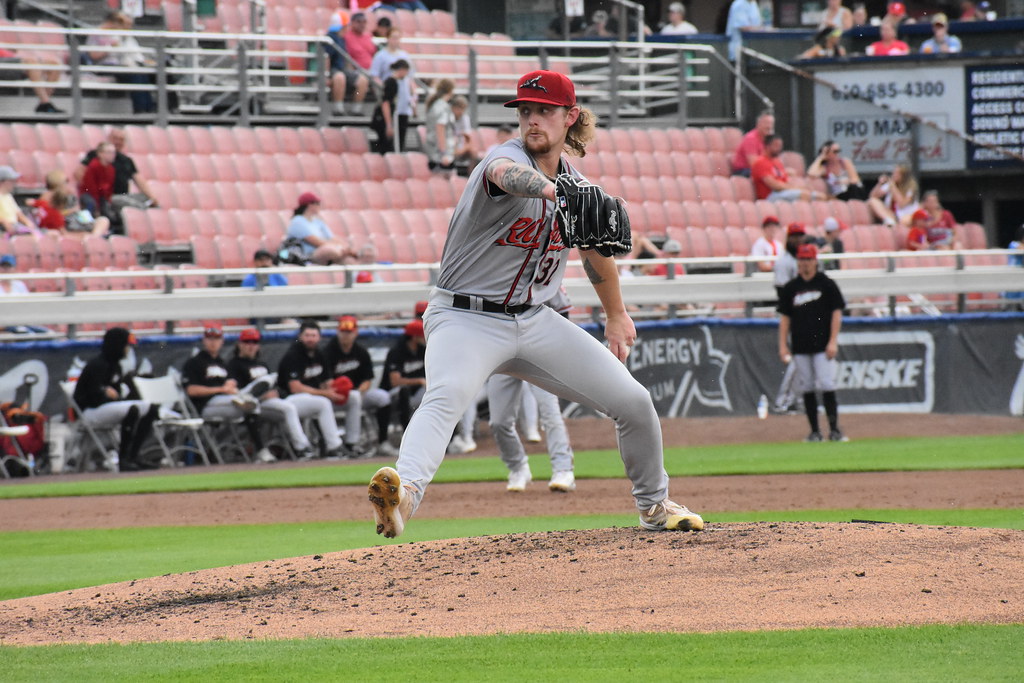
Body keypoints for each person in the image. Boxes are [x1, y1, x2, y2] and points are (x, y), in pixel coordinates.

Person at [367, 69, 704, 539]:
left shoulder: (577, 186)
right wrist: (554, 191)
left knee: (634, 401)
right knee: (445, 397)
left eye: (544, 112)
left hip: (535, 319)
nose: (532, 121)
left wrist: (615, 314)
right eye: (525, 111)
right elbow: (507, 177)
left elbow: (595, 254)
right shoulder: (505, 160)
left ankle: (654, 507)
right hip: (465, 317)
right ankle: (405, 494)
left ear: (570, 117)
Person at [488, 292, 577, 493]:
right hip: (501, 350)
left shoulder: (542, 275)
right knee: (499, 421)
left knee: (549, 412)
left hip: (539, 350)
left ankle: (563, 470)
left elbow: (563, 313)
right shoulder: (492, 276)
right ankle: (518, 468)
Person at [777, 243, 848, 443]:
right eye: (801, 259)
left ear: (815, 261)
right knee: (807, 388)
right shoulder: (791, 288)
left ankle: (834, 430)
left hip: (823, 345)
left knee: (826, 385)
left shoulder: (826, 284)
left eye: (808, 259)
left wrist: (833, 341)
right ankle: (814, 432)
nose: (804, 263)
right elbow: (784, 319)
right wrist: (783, 345)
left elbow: (837, 313)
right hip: (800, 346)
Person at [74, 327, 161, 471]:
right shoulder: (97, 365)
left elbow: (119, 394)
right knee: (133, 409)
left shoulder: (116, 366)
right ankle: (123, 459)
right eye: (126, 346)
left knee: (150, 408)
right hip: (90, 411)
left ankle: (134, 455)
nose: (128, 350)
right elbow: (86, 397)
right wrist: (103, 393)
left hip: (107, 408)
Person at [182, 324, 268, 460]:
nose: (213, 342)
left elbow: (230, 384)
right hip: (205, 406)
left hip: (225, 402)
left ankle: (258, 450)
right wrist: (221, 389)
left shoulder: (222, 363)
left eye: (216, 339)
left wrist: (230, 385)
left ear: (222, 341)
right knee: (250, 405)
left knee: (251, 404)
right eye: (210, 338)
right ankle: (261, 450)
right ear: (204, 340)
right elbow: (192, 390)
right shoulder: (194, 362)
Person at [275, 320, 349, 459]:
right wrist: (325, 393)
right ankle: (333, 446)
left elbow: (328, 382)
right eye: (307, 335)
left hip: (312, 398)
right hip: (289, 400)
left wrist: (337, 390)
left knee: (331, 401)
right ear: (300, 336)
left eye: (314, 335)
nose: (310, 339)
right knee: (323, 403)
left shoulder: (320, 355)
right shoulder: (293, 355)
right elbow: (295, 387)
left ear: (319, 337)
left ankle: (343, 444)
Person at [323, 315, 393, 457]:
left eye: (349, 332)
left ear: (356, 333)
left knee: (382, 397)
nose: (346, 335)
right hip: (333, 396)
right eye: (343, 332)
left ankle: (383, 441)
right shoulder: (328, 352)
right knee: (353, 396)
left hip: (357, 393)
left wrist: (361, 390)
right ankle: (351, 443)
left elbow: (367, 379)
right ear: (338, 331)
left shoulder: (361, 352)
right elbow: (326, 381)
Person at [224, 328, 288, 463]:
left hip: (263, 401)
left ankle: (300, 448)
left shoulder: (262, 364)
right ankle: (261, 450)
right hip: (243, 398)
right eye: (247, 342)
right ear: (239, 344)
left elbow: (277, 387)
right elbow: (233, 388)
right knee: (252, 403)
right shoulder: (234, 364)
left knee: (288, 406)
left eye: (254, 342)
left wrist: (275, 393)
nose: (251, 345)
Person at [74, 127, 160, 218]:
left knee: (144, 198)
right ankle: (144, 210)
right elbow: (81, 175)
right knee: (118, 200)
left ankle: (147, 208)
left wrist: (152, 197)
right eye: (115, 139)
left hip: (124, 195)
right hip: (108, 197)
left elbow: (139, 180)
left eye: (121, 139)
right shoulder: (94, 158)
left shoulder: (126, 160)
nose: (118, 142)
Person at [85, 11, 155, 114]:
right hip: (103, 66)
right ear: (111, 22)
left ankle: (148, 107)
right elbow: (93, 56)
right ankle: (140, 109)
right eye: (120, 22)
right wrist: (108, 48)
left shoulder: (116, 35)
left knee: (141, 73)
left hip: (119, 65)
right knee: (134, 74)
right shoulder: (96, 34)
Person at [378, 319, 426, 437]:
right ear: (414, 337)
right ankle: (408, 435)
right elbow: (395, 382)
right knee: (403, 391)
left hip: (416, 394)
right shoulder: (397, 352)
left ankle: (451, 440)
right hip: (393, 394)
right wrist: (419, 381)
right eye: (422, 335)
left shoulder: (423, 350)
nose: (425, 338)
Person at [30, 169, 111, 237]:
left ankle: (93, 238)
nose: (68, 183)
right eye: (66, 181)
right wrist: (71, 211)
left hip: (79, 220)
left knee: (103, 220)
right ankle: (91, 239)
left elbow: (78, 209)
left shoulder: (69, 194)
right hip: (65, 224)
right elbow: (51, 215)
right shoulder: (47, 196)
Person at [284, 191, 351, 265]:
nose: (319, 206)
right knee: (331, 251)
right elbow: (316, 242)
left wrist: (346, 248)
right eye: (317, 203)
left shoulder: (318, 221)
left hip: (323, 250)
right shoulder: (297, 221)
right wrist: (339, 247)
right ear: (309, 205)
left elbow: (331, 237)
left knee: (348, 258)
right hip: (307, 255)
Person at [324, 13, 370, 117]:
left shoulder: (342, 39)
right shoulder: (330, 38)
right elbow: (326, 58)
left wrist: (352, 71)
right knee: (340, 77)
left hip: (343, 69)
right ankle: (338, 107)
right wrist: (326, 75)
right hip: (333, 69)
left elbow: (346, 58)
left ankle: (356, 108)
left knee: (362, 79)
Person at [751, 135, 820, 202]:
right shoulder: (760, 162)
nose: (779, 148)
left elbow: (785, 180)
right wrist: (799, 188)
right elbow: (776, 186)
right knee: (804, 195)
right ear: (767, 146)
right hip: (770, 196)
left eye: (780, 146)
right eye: (776, 145)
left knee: (819, 196)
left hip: (783, 193)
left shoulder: (777, 162)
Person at [0, 46, 64, 113]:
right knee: (31, 62)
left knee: (53, 65)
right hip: (5, 63)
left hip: (13, 59)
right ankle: (45, 103)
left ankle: (44, 103)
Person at [370, 58, 413, 155]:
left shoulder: (404, 82)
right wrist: (389, 124)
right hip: (390, 117)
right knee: (387, 146)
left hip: (399, 116)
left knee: (398, 145)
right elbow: (386, 103)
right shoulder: (391, 82)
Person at [424, 78, 456, 171]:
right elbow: (440, 129)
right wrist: (444, 153)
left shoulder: (435, 104)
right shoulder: (442, 107)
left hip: (436, 151)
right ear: (450, 90)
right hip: (440, 154)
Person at [78, 141, 117, 221]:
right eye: (109, 152)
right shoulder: (94, 166)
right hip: (89, 194)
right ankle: (88, 223)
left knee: (108, 208)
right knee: (91, 203)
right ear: (100, 154)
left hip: (101, 195)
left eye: (113, 152)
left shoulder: (111, 169)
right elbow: (90, 187)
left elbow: (110, 187)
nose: (112, 155)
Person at [731, 110, 774, 177]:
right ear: (758, 124)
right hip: (743, 171)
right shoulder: (751, 138)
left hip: (756, 169)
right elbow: (753, 163)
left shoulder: (768, 140)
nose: (769, 127)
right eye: (766, 123)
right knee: (767, 174)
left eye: (771, 124)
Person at [0, 165, 38, 235]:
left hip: (15, 225)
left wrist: (27, 222)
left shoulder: (8, 196)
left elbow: (18, 213)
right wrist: (4, 221)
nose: (13, 184)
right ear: (3, 182)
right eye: (11, 181)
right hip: (4, 228)